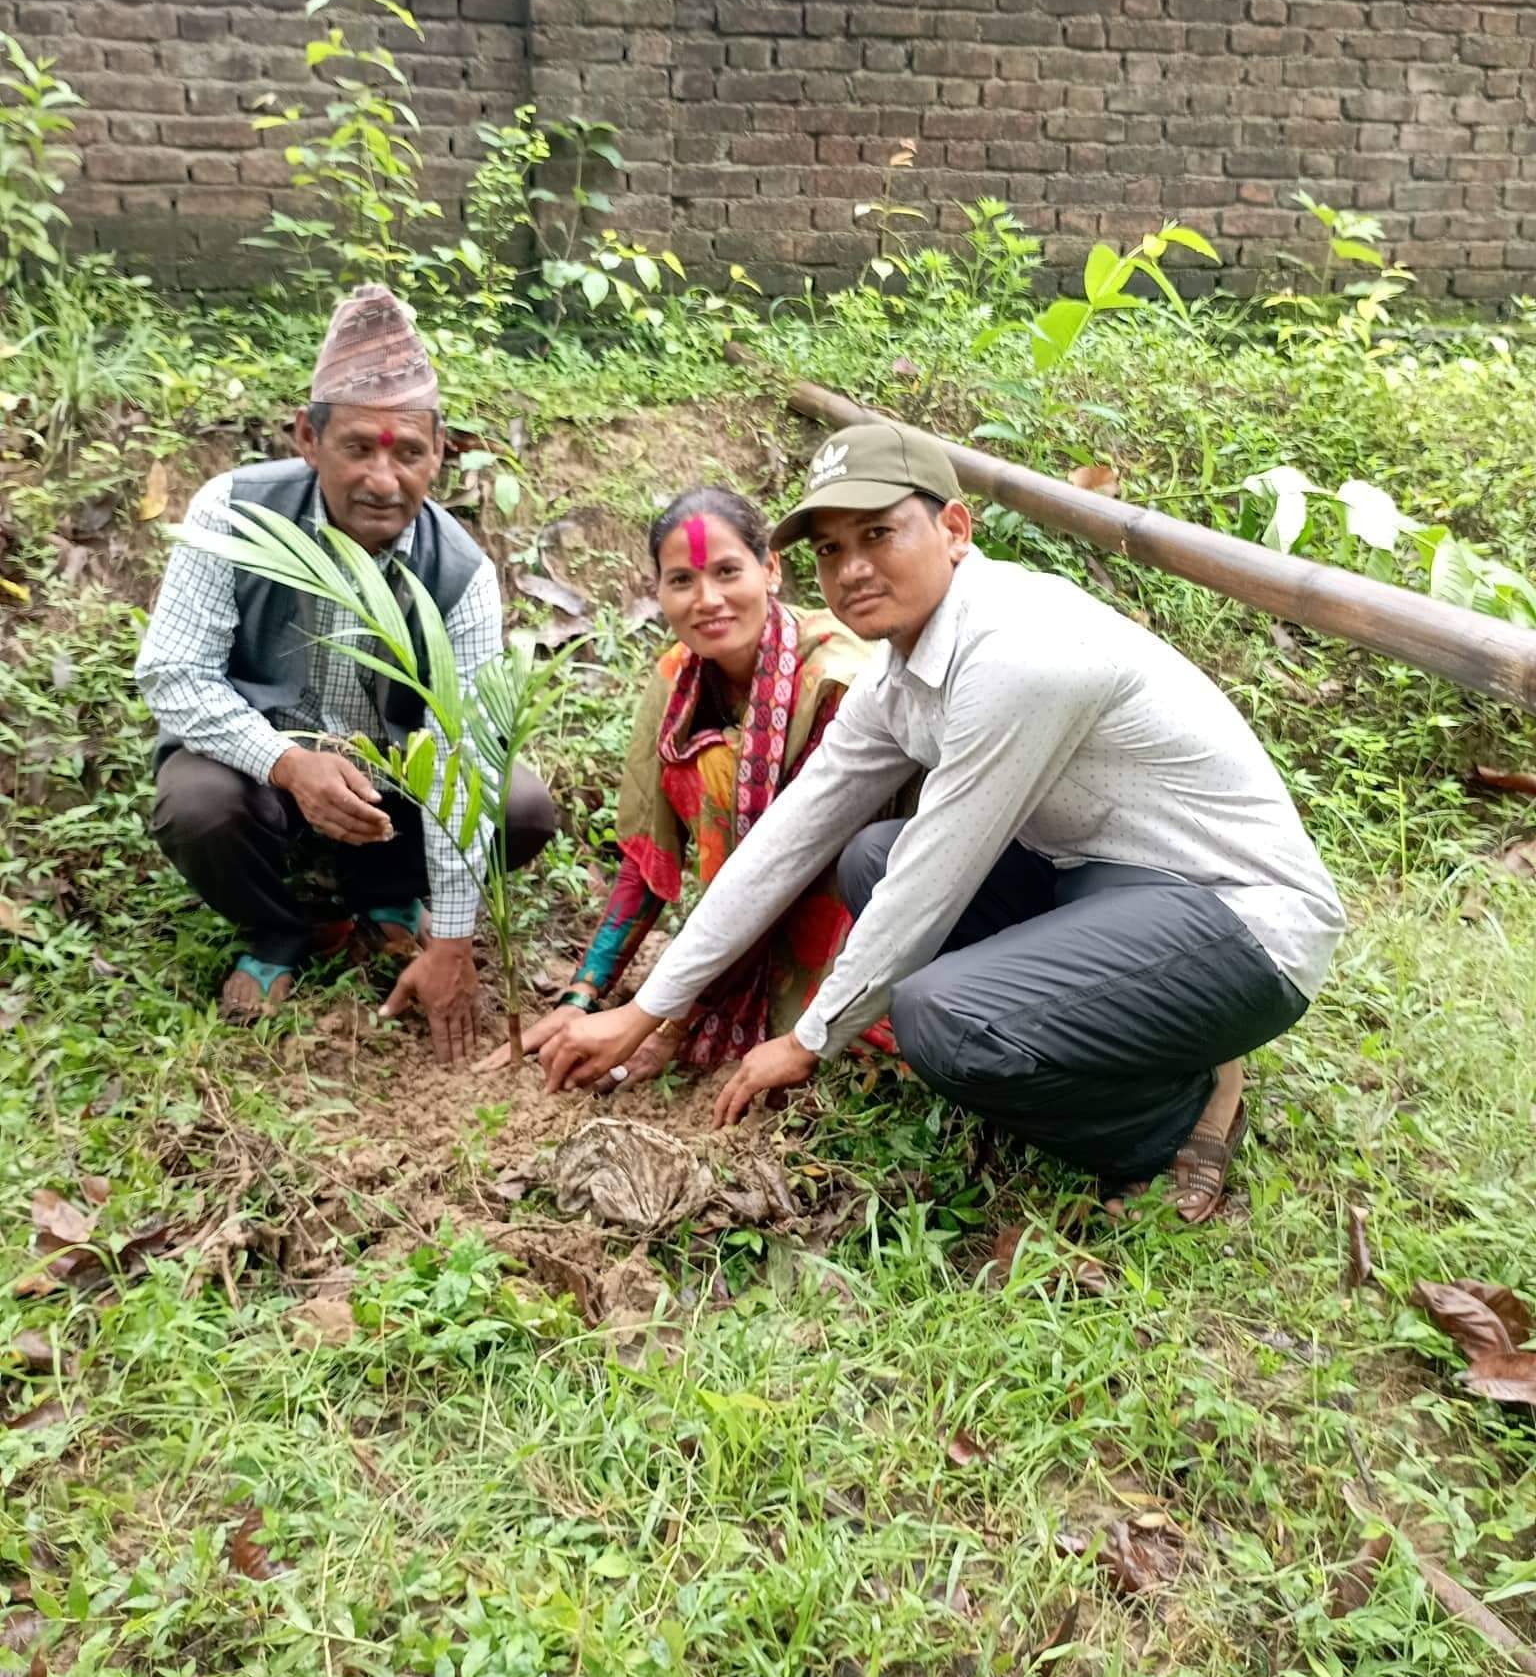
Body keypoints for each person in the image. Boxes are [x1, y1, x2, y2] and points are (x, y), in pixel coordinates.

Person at [543, 420, 1347, 1221]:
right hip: (1110, 888)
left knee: (942, 1015)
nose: (852, 569)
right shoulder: (900, 675)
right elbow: (787, 838)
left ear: (954, 529)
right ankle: (1147, 1031)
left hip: (1241, 919)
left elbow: (936, 880)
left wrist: (808, 1039)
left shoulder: (1019, 655)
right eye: (829, 550)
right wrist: (651, 1005)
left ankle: (1176, 1114)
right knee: (870, 857)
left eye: (879, 533)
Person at [135, 282, 558, 1063]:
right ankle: (281, 926)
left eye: (411, 453)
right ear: (307, 437)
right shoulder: (232, 513)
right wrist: (288, 764)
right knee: (197, 806)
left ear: (442, 453)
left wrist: (455, 943)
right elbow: (172, 676)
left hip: (392, 781)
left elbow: (462, 751)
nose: (384, 480)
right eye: (359, 447)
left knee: (522, 806)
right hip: (261, 773)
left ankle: (384, 898)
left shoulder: (459, 571)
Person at [488, 484, 879, 1081]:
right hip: (744, 917)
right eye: (681, 581)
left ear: (771, 569)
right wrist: (582, 996)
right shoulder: (678, 678)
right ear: (658, 592)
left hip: (846, 915)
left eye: (728, 572)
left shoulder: (833, 681)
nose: (708, 600)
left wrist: (666, 1016)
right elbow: (645, 862)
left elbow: (789, 865)